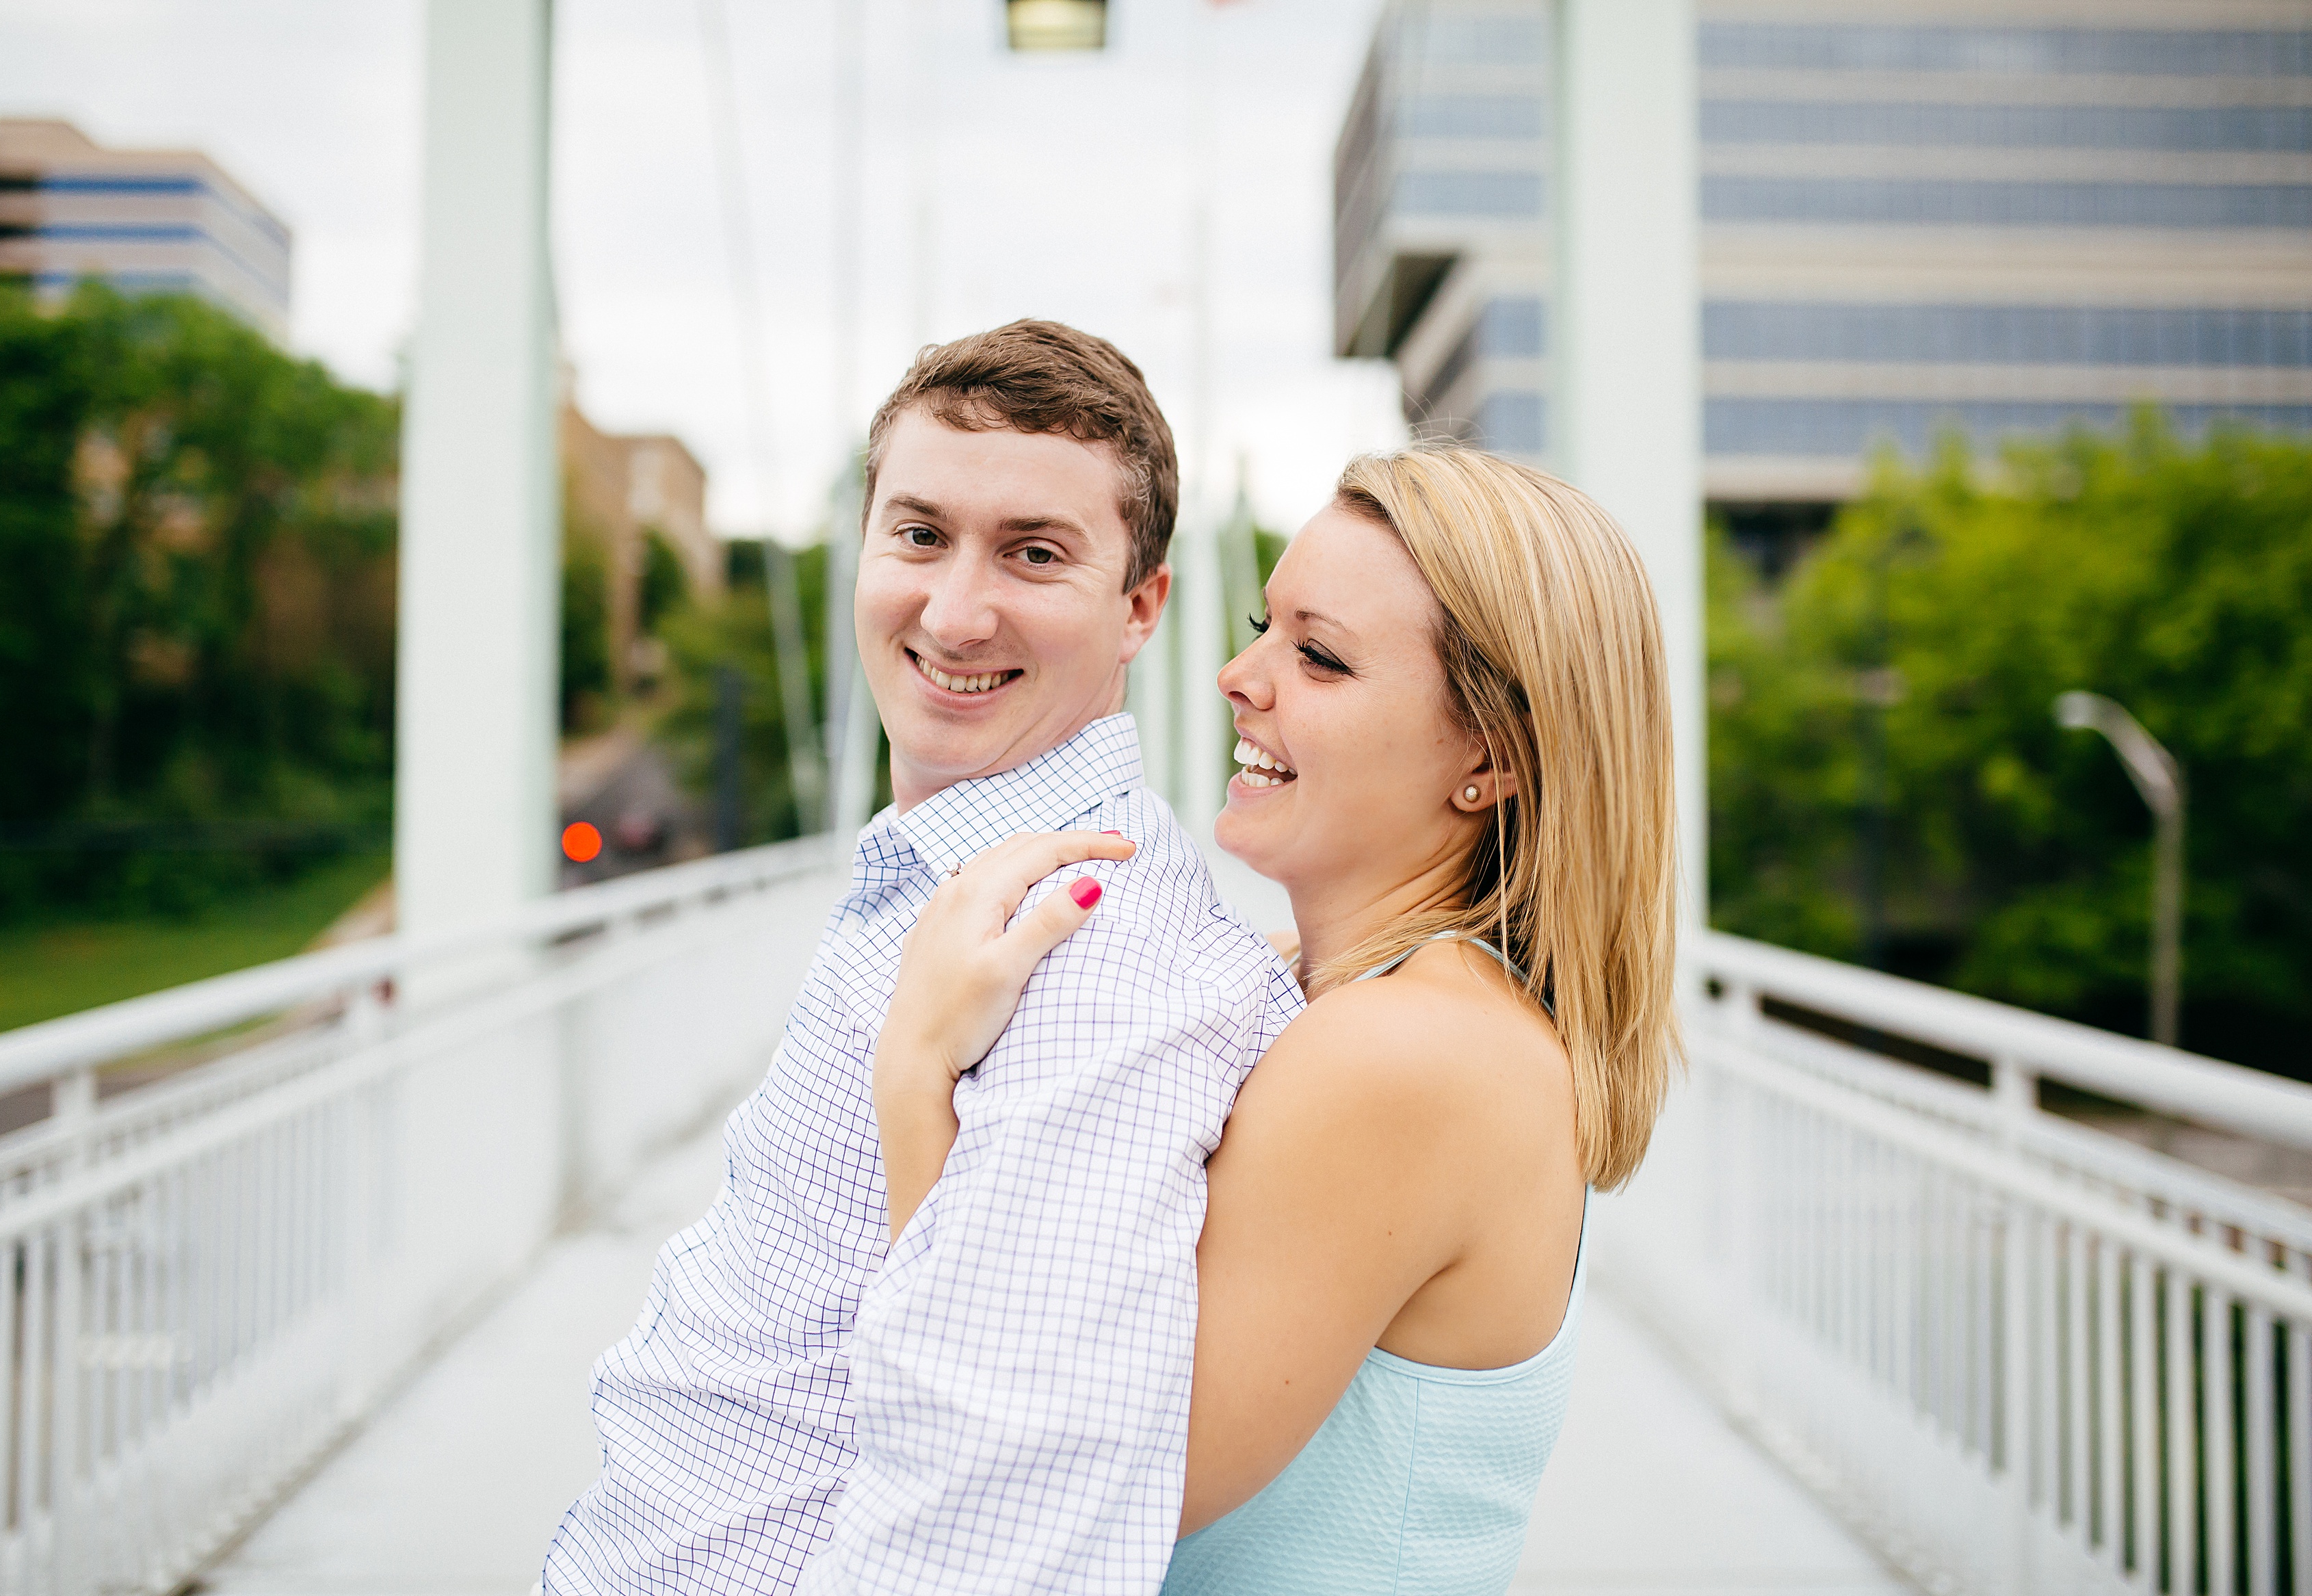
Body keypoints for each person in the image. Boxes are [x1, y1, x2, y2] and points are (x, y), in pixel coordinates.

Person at [541, 321, 1302, 1595]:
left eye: (1035, 554)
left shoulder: (1091, 960)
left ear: (1141, 608)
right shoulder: (944, 888)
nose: (954, 612)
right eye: (918, 533)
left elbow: (994, 1539)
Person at [873, 445, 1680, 1593]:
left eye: (1320, 656)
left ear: (1489, 758)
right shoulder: (1335, 995)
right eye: (1266, 624)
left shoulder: (1407, 1052)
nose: (1239, 675)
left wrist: (913, 1068)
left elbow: (1041, 1479)